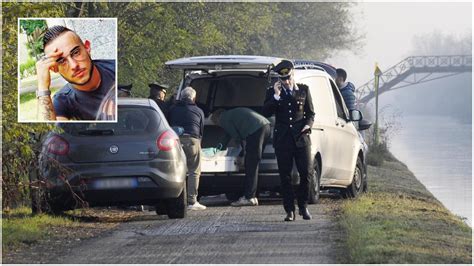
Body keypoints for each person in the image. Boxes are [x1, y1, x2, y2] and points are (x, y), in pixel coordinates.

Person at [262, 60, 315, 221]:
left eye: (288, 78)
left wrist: (308, 126)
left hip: (301, 138)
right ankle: (289, 210)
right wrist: (276, 96)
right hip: (283, 139)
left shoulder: (303, 90)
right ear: (279, 79)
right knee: (285, 176)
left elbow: (311, 114)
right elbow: (265, 112)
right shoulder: (273, 92)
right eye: (283, 79)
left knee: (305, 173)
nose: (286, 82)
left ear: (293, 75)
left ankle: (303, 207)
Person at [36, 25, 115, 121]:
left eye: (76, 52)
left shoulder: (116, 68)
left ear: (87, 48)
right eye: (61, 61)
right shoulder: (63, 101)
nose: (74, 66)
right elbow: (48, 132)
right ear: (54, 68)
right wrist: (42, 87)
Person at [210, 107, 271, 207]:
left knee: (250, 164)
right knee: (254, 163)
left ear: (217, 118)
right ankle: (253, 196)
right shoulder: (231, 115)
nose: (218, 125)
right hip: (266, 126)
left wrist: (241, 153)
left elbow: (237, 137)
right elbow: (226, 137)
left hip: (256, 130)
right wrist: (218, 150)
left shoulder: (223, 118)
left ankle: (249, 197)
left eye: (216, 123)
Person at [167, 87, 206, 211]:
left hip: (175, 141)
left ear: (181, 97)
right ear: (194, 98)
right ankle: (192, 201)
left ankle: (177, 199)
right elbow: (201, 131)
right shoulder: (198, 111)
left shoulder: (172, 109)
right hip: (192, 141)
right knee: (194, 171)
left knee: (177, 170)